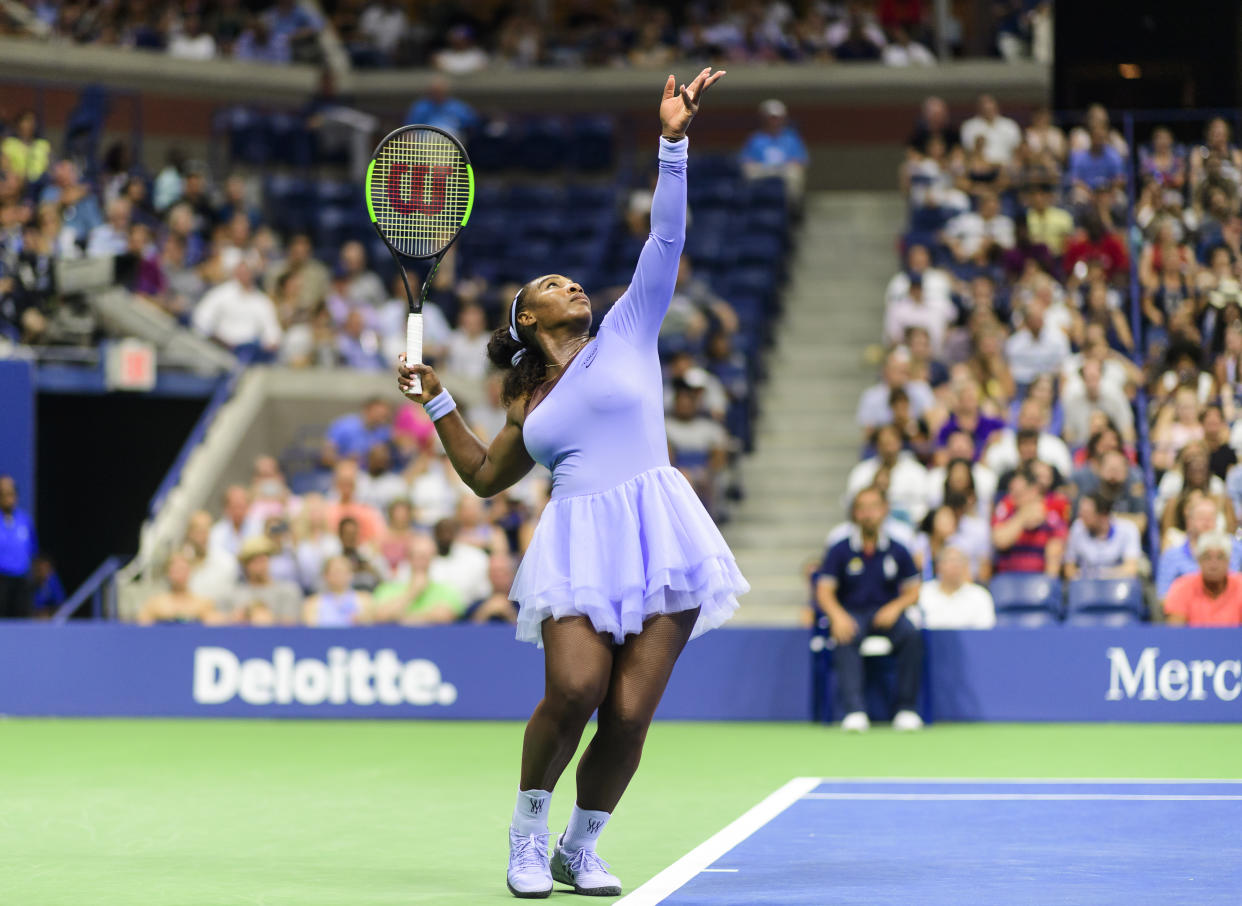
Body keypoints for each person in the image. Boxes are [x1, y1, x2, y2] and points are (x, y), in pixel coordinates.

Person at [396, 70, 742, 900]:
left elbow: (665, 239)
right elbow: (483, 477)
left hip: (662, 532)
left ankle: (579, 848)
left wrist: (673, 142)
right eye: (552, 286)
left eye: (572, 281)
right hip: (580, 541)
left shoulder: (628, 328)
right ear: (527, 321)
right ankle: (526, 833)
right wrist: (436, 400)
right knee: (576, 689)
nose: (572, 284)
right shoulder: (529, 407)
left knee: (627, 714)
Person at [815, 486, 924, 733]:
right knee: (843, 634)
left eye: (873, 508)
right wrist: (837, 616)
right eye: (862, 509)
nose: (868, 514)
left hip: (887, 612)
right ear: (855, 513)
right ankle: (855, 711)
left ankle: (906, 709)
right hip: (852, 612)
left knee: (912, 636)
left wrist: (895, 607)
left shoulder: (897, 548)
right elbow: (824, 590)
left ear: (884, 510)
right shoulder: (840, 549)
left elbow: (914, 590)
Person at [991, 467, 1066, 576]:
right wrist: (1021, 518)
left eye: (1018, 493)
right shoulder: (1006, 512)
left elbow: (1054, 561)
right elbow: (1000, 542)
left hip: (1038, 583)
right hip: (1007, 581)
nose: (1012, 497)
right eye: (1011, 492)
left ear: (1034, 490)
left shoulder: (1051, 518)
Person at [739, 99, 808, 209]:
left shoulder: (791, 138)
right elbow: (746, 160)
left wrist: (784, 167)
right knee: (748, 172)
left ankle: (793, 209)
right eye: (771, 118)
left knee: (795, 173)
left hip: (784, 170)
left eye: (777, 118)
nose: (774, 121)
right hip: (762, 169)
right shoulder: (755, 138)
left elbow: (800, 160)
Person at [1164, 531, 1242, 627]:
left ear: (1229, 561)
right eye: (1207, 557)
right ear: (1199, 561)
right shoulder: (1181, 587)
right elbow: (1173, 635)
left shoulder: (1240, 586)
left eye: (1220, 557)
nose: (1214, 564)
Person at [223, 536, 303, 624]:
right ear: (245, 565)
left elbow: (291, 627)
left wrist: (268, 620)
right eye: (254, 560)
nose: (260, 565)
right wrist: (237, 618)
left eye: (263, 559)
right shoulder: (233, 594)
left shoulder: (288, 591)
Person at [1063, 493, 1141, 580]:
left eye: (1087, 513)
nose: (1081, 517)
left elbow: (1131, 569)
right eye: (1081, 512)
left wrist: (1099, 575)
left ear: (1103, 515)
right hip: (1086, 587)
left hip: (1117, 587)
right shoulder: (1077, 527)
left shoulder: (1128, 529)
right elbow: (1069, 568)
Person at [917, 545, 996, 629]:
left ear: (966, 567)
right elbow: (914, 626)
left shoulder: (980, 595)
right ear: (938, 567)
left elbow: (985, 632)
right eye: (949, 561)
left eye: (959, 562)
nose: (954, 566)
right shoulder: (923, 592)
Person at [136, 553, 220, 625]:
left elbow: (215, 625)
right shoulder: (155, 604)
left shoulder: (203, 603)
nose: (180, 574)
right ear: (168, 573)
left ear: (190, 571)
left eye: (183, 569)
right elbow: (142, 628)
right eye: (175, 570)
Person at [0, 475, 36, 618]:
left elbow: (32, 550)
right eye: (3, 494)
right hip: (1, 581)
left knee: (23, 624)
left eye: (11, 493)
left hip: (22, 582)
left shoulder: (25, 520)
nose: (8, 497)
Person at [303, 556, 372, 626]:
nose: (339, 576)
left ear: (351, 574)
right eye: (335, 572)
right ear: (325, 576)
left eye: (343, 571)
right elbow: (311, 629)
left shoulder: (365, 600)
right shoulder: (312, 603)